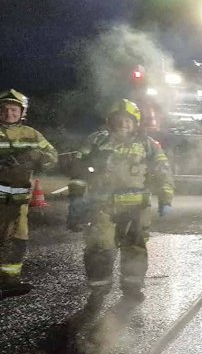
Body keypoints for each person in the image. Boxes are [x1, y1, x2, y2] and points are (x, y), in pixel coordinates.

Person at [66, 99, 174, 310]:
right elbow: (79, 170)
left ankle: (132, 289)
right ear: (110, 121)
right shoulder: (96, 141)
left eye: (128, 120)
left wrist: (165, 197)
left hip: (137, 208)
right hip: (102, 206)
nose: (123, 124)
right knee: (99, 247)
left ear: (136, 123)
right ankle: (99, 288)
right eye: (119, 120)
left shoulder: (148, 145)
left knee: (135, 249)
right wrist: (76, 199)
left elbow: (163, 170)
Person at [0, 89, 58, 297]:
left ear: (22, 112)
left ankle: (10, 280)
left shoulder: (31, 134)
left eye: (14, 109)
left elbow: (52, 156)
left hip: (19, 201)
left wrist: (39, 156)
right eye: (5, 109)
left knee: (17, 239)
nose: (9, 113)